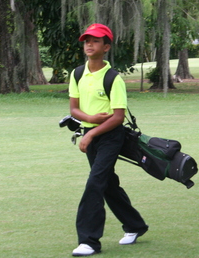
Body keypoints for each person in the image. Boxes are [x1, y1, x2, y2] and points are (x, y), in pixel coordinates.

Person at [69, 23, 148, 256]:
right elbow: (74, 109)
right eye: (86, 40)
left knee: (95, 183)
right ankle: (135, 225)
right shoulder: (77, 73)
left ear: (106, 46)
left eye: (95, 40)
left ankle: (89, 241)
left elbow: (118, 117)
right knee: (107, 184)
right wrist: (90, 120)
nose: (89, 44)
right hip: (90, 135)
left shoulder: (114, 78)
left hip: (110, 136)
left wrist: (93, 131)